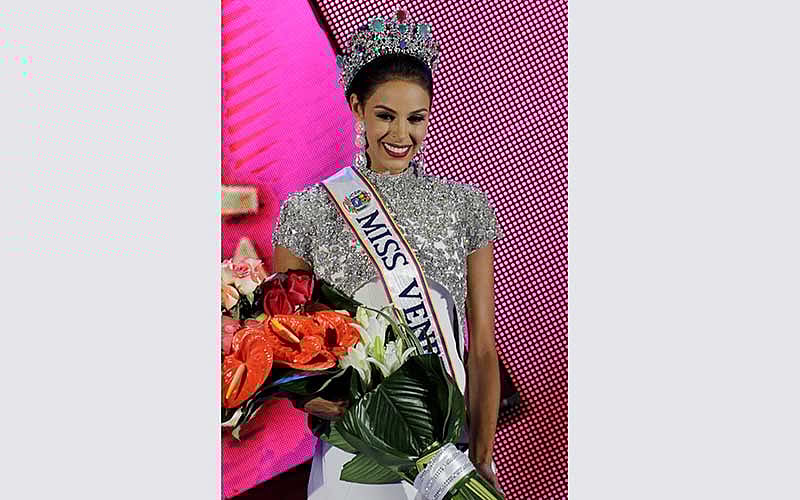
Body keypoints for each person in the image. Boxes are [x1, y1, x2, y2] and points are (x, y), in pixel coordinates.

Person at [272, 10, 504, 499]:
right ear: (356, 107)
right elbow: (290, 352)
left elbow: (481, 348)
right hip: (354, 457)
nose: (402, 134)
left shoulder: (465, 207)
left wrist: (480, 457)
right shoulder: (308, 210)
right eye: (385, 115)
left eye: (416, 117)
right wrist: (325, 402)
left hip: (449, 454)